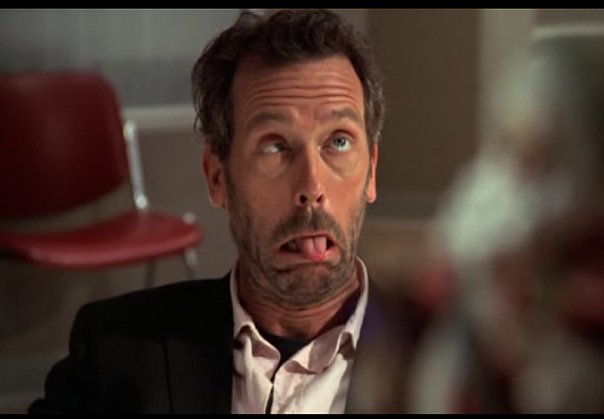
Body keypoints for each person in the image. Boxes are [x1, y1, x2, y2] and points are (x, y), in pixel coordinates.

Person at [28, 9, 427, 413]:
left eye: (338, 142)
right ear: (217, 178)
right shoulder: (115, 351)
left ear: (371, 170)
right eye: (274, 146)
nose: (312, 188)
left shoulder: (443, 366)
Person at [407, 38, 604, 413]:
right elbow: (433, 279)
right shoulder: (488, 189)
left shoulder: (584, 206)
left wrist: (544, 293)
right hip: (478, 342)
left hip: (555, 358)